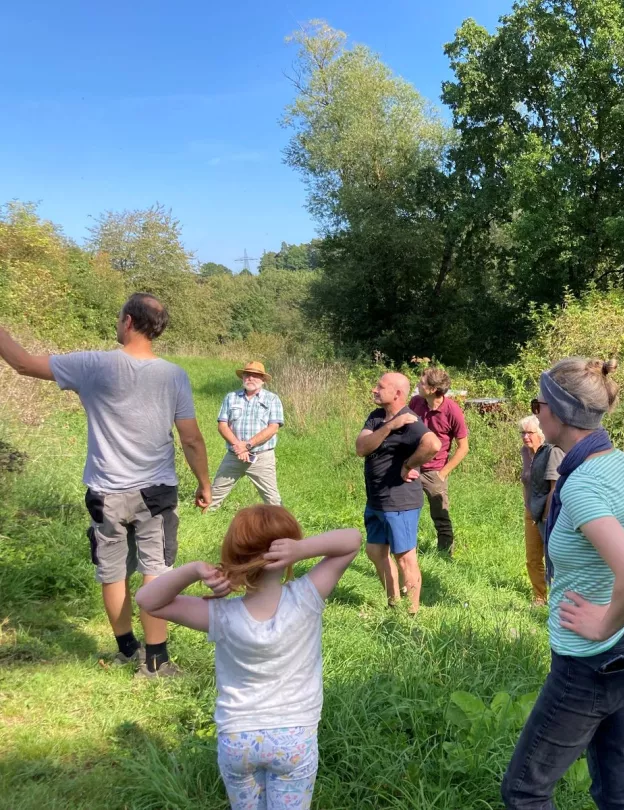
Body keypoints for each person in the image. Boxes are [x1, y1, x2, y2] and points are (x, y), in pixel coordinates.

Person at [501, 357, 624, 810]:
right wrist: (613, 593)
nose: (535, 412)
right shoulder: (617, 462)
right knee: (613, 780)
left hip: (589, 663)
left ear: (560, 412)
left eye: (538, 403)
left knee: (524, 791)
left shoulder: (582, 485)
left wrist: (605, 620)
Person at [0, 293, 212, 678]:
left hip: (105, 492)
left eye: (118, 319)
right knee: (156, 571)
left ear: (128, 321)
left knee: (112, 571)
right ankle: (156, 661)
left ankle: (126, 649)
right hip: (156, 493)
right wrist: (204, 482)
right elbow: (192, 439)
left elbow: (21, 363)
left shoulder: (91, 365)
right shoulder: (174, 375)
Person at [135, 505, 361, 810]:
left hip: (238, 739)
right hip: (294, 736)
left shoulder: (220, 615)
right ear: (286, 554)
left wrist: (193, 570)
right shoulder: (308, 597)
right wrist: (303, 549)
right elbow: (352, 540)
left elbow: (147, 601)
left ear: (233, 556)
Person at [356, 372, 441, 614]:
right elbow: (362, 448)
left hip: (400, 502)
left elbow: (433, 444)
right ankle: (394, 603)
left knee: (405, 557)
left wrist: (408, 465)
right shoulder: (378, 417)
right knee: (374, 551)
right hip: (376, 500)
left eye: (380, 387)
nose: (374, 390)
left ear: (397, 394)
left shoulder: (410, 421)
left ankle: (412, 614)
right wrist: (389, 426)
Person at [409, 367, 469, 556]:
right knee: (407, 511)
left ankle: (445, 554)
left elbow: (463, 447)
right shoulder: (416, 402)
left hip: (434, 471)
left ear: (433, 389)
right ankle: (408, 550)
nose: (418, 384)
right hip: (412, 466)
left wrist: (443, 473)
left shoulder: (452, 410)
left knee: (440, 515)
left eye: (422, 382)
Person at [209, 361, 285, 509]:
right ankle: (202, 524)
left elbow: (273, 428)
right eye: (247, 375)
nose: (251, 378)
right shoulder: (231, 397)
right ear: (242, 378)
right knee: (213, 496)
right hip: (234, 455)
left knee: (273, 500)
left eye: (256, 375)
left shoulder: (272, 399)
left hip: (261, 457)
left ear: (263, 380)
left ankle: (283, 530)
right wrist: (238, 446)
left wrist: (247, 445)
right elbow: (222, 425)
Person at [518, 414, 562, 606]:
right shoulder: (524, 452)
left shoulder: (552, 452)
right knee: (533, 557)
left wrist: (545, 515)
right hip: (531, 512)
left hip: (549, 514)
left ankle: (560, 597)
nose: (525, 437)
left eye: (530, 433)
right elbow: (526, 481)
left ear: (540, 434)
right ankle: (539, 597)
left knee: (555, 557)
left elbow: (555, 487)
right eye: (522, 433)